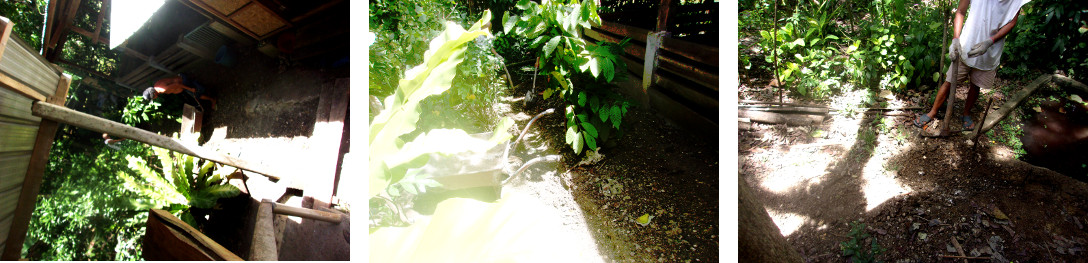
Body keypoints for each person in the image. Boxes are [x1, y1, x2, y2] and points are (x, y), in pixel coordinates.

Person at [913, 0, 1029, 130]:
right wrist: (956, 39)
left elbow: (1012, 22)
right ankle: (933, 112)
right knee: (950, 81)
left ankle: (966, 113)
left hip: (990, 51)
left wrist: (990, 41)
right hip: (966, 44)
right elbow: (961, 11)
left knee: (976, 85)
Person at [142, 73, 216, 110]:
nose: (154, 99)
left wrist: (190, 89)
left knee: (196, 95)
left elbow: (178, 84)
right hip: (180, 80)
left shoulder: (163, 89)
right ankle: (208, 92)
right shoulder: (156, 85)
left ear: (154, 94)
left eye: (153, 98)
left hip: (183, 82)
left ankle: (212, 100)